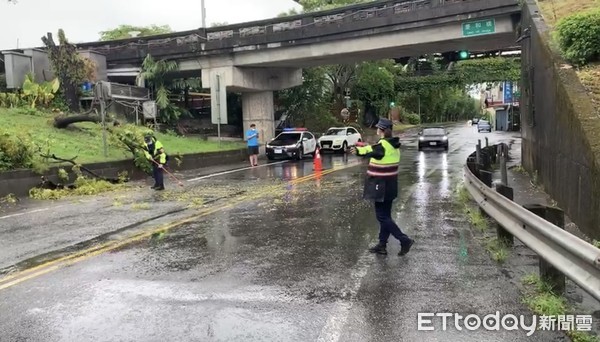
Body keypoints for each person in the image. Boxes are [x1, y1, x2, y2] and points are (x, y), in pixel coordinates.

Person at [351, 118, 414, 256]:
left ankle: (404, 240)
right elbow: (374, 149)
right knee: (386, 216)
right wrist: (364, 147)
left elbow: (370, 150)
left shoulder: (382, 146)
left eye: (378, 128)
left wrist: (357, 150)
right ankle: (382, 245)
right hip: (391, 185)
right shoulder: (393, 145)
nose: (377, 130)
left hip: (381, 186)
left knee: (382, 217)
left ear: (382, 130)